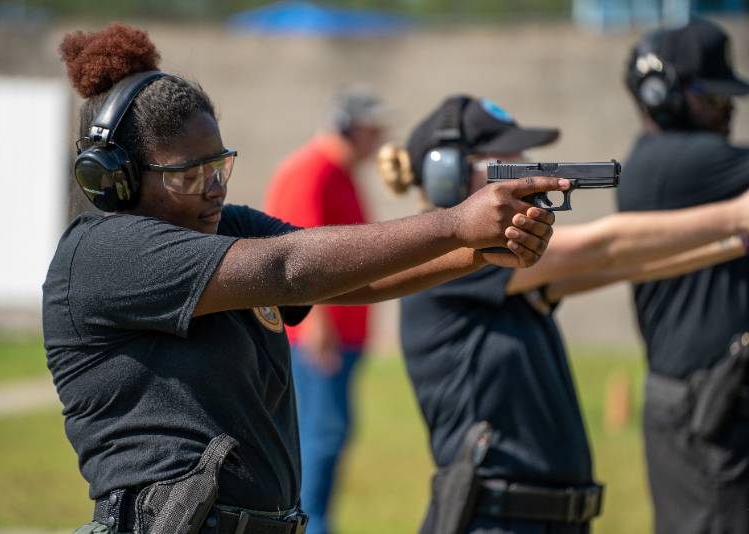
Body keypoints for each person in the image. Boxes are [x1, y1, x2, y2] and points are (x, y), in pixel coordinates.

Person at [44, 24, 567, 534]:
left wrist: (477, 252)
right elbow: (288, 270)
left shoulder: (223, 226)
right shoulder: (103, 253)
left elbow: (342, 280)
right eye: (187, 175)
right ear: (115, 177)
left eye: (218, 167)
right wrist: (455, 222)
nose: (212, 189)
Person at [376, 94, 749, 534]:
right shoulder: (452, 256)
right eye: (507, 157)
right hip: (495, 519)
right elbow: (604, 247)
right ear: (450, 173)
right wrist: (734, 216)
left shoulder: (501, 267)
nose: (528, 164)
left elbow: (620, 264)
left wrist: (733, 241)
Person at [619, 17, 749, 534]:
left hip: (708, 400)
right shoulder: (678, 162)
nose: (729, 108)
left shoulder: (676, 162)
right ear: (663, 95)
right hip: (705, 406)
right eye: (711, 96)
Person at [264, 86, 384, 534]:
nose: (378, 140)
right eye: (372, 129)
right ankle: (310, 526)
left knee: (330, 435)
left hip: (341, 336)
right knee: (321, 437)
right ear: (348, 126)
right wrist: (315, 322)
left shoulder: (340, 171)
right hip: (319, 338)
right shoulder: (312, 171)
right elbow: (299, 257)